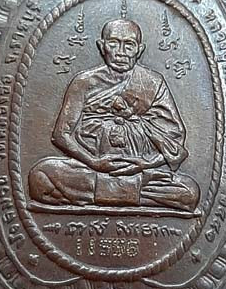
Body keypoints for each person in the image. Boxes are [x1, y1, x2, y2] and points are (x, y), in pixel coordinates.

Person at [28, 18, 199, 212]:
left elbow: (175, 141)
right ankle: (130, 195)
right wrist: (94, 162)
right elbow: (61, 135)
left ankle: (101, 194)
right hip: (91, 167)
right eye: (114, 43)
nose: (121, 52)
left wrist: (144, 163)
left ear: (139, 50)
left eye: (129, 45)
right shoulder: (84, 82)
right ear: (102, 46)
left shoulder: (153, 82)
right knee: (40, 176)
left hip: (141, 171)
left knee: (189, 192)